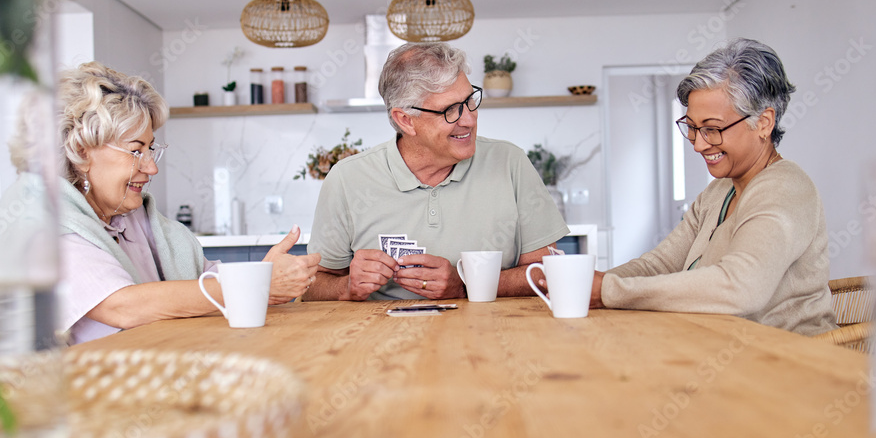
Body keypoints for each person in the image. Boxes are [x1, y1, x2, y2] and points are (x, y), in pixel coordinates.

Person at [57, 62, 319, 343]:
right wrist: (256, 286)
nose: (151, 167)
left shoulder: (141, 222)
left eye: (150, 149)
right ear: (82, 152)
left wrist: (260, 276)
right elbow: (121, 306)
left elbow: (207, 280)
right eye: (135, 151)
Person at [589, 38, 836, 335]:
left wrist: (609, 291)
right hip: (720, 351)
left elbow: (740, 286)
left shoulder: (786, 189)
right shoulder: (718, 192)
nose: (698, 144)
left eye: (712, 129)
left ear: (764, 122)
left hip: (786, 365)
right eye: (692, 128)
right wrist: (592, 286)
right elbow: (661, 263)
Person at [305, 42, 569, 301]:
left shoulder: (510, 163)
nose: (469, 119)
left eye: (469, 100)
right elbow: (312, 286)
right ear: (405, 120)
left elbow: (548, 274)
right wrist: (345, 287)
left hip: (490, 338)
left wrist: (466, 283)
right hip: (382, 340)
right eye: (450, 110)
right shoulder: (346, 179)